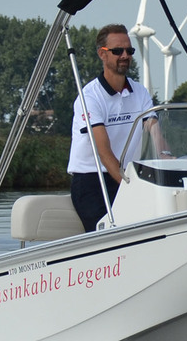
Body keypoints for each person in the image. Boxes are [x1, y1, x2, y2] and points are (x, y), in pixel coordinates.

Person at [67, 24, 160, 232]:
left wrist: (167, 157)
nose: (125, 55)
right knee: (112, 232)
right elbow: (104, 153)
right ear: (102, 54)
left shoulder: (140, 92)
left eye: (129, 51)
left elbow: (154, 130)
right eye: (118, 51)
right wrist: (131, 188)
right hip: (92, 180)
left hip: (127, 176)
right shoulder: (89, 97)